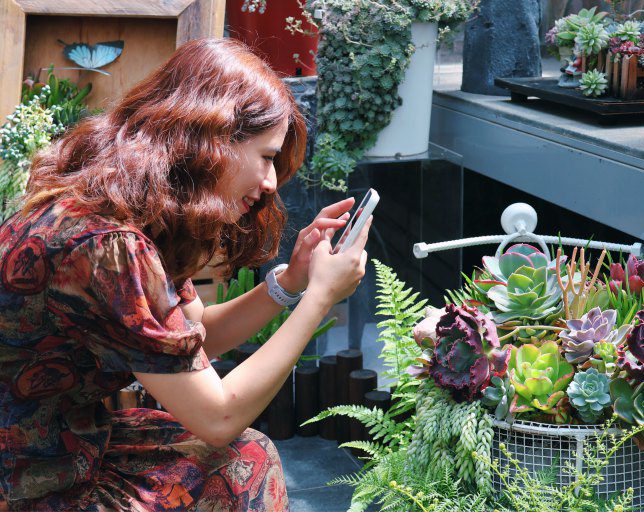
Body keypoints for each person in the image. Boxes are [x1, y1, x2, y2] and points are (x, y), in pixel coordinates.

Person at [0, 38, 370, 511]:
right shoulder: (107, 246)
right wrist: (320, 296)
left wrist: (291, 282)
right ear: (211, 140)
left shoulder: (129, 210)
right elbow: (217, 416)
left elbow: (196, 333)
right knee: (241, 462)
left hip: (66, 447)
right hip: (27, 480)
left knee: (246, 458)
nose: (272, 182)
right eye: (266, 156)